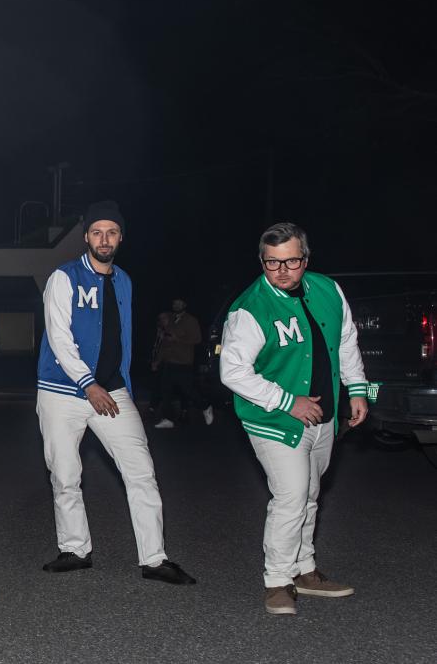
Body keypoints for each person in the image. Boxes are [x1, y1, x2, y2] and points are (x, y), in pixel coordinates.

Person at [35, 200, 196, 585]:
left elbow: (118, 338)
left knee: (141, 471)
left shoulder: (123, 280)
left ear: (120, 237)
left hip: (112, 390)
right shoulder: (64, 277)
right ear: (86, 236)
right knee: (65, 474)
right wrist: (87, 384)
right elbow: (59, 337)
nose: (103, 239)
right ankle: (74, 549)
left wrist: (116, 381)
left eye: (111, 232)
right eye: (96, 232)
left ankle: (155, 559)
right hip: (63, 391)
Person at [219, 222, 369, 615]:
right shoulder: (250, 308)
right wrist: (288, 401)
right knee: (290, 497)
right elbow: (232, 372)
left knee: (310, 496)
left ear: (306, 257)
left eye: (291, 261)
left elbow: (347, 342)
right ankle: (277, 580)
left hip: (323, 417)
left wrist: (358, 390)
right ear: (261, 261)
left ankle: (305, 570)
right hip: (273, 419)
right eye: (272, 263)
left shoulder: (328, 290)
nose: (283, 271)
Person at [153, 298, 214, 428]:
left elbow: (197, 339)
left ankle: (205, 406)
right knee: (165, 391)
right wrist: (157, 361)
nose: (176, 305)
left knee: (188, 390)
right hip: (169, 361)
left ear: (184, 305)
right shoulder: (170, 320)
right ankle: (168, 419)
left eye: (179, 303)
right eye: (174, 303)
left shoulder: (191, 320)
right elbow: (164, 343)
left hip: (183, 362)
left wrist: (178, 339)